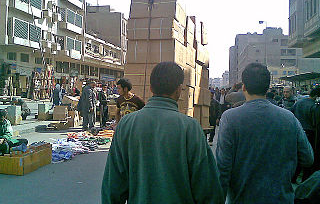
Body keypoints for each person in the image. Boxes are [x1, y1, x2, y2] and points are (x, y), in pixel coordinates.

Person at [102, 62, 224, 204]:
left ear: (151, 88)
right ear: (179, 90)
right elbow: (207, 189)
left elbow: (113, 184)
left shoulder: (126, 124)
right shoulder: (190, 128)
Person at [216, 63, 314, 203]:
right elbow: (308, 158)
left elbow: (222, 168)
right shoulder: (289, 118)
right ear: (267, 88)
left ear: (244, 87)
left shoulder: (230, 118)